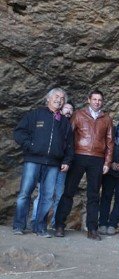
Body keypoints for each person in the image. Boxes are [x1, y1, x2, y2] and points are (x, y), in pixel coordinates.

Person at [54, 89, 114, 240]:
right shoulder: (79, 114)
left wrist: (107, 162)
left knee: (94, 195)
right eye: (94, 99)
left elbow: (110, 142)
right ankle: (60, 225)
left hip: (97, 159)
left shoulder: (107, 118)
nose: (97, 102)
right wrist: (68, 158)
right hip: (78, 156)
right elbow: (68, 136)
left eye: (100, 100)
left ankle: (92, 229)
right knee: (68, 191)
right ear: (89, 100)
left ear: (102, 102)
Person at [13, 88, 73, 236]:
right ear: (48, 98)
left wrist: (67, 160)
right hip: (33, 160)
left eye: (62, 98)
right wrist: (31, 146)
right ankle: (19, 226)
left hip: (53, 164)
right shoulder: (36, 114)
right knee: (25, 193)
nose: (59, 99)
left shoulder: (64, 122)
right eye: (56, 96)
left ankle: (40, 227)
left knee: (47, 197)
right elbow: (19, 132)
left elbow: (70, 144)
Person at [30, 102, 74, 229]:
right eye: (66, 108)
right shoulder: (53, 121)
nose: (69, 111)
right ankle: (35, 221)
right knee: (43, 193)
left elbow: (71, 147)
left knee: (59, 195)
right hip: (49, 164)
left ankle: (55, 222)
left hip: (62, 166)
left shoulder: (71, 125)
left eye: (71, 109)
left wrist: (67, 161)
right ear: (61, 108)